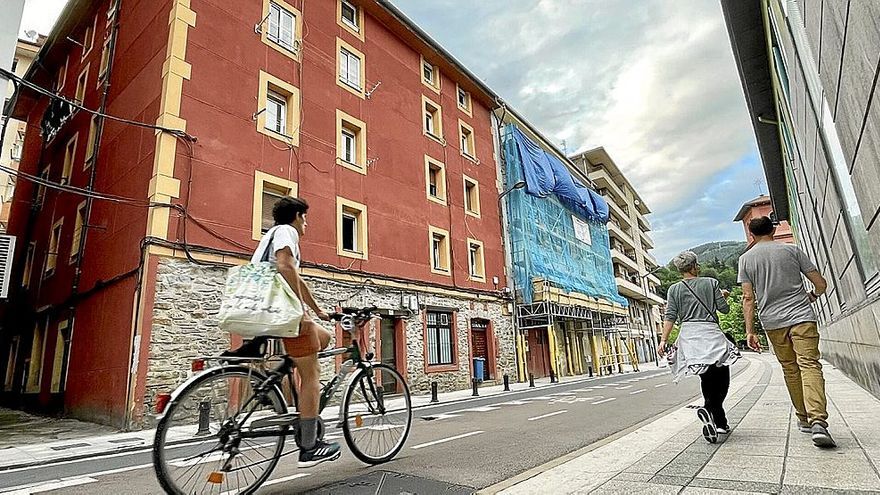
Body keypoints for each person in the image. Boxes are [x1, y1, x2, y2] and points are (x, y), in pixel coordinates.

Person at [250, 196, 341, 466]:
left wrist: (317, 310)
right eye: (306, 218)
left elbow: (296, 279)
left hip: (261, 306)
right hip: (279, 311)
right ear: (298, 216)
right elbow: (285, 265)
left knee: (322, 336)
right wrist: (300, 310)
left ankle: (276, 374)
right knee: (312, 375)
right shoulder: (287, 231)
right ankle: (310, 447)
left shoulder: (270, 234)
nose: (307, 224)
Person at [738, 216, 835, 448]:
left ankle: (803, 418)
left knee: (791, 369)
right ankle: (818, 420)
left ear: (751, 235)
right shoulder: (792, 251)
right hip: (802, 317)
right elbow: (820, 284)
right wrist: (812, 297)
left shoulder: (745, 260)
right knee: (809, 364)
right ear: (773, 230)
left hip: (773, 322)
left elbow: (748, 298)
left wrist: (750, 331)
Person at [660, 251, 741, 444]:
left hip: (689, 337)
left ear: (679, 270)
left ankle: (718, 420)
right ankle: (711, 409)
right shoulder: (711, 283)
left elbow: (670, 315)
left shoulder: (674, 289)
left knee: (706, 377)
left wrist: (663, 340)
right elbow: (724, 310)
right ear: (695, 266)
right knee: (721, 378)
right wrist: (724, 296)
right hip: (709, 333)